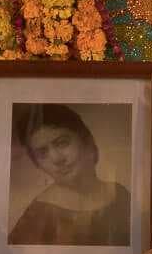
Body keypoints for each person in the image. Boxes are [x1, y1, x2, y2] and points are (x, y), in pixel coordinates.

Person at [8, 104, 132, 246]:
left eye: (62, 143)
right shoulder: (38, 216)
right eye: (43, 153)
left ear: (86, 141)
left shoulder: (120, 194)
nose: (57, 158)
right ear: (37, 164)